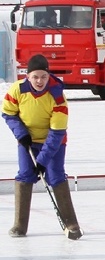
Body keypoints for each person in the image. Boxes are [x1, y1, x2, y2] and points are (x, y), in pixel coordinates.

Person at [3, 55, 83, 239]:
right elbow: (8, 113)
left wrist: (42, 160)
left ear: (49, 76)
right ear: (28, 76)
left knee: (55, 176)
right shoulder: (17, 89)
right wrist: (21, 133)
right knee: (25, 174)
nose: (40, 81)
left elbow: (57, 133)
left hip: (53, 142)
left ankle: (71, 224)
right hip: (27, 141)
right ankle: (19, 226)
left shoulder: (57, 96)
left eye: (44, 77)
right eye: (35, 77)